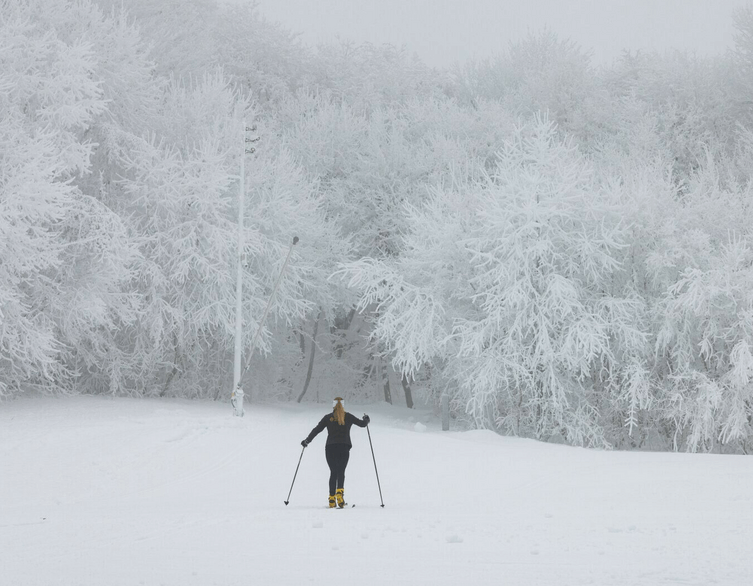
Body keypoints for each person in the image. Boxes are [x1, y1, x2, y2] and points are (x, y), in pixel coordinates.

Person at [301, 397, 370, 508]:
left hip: (330, 448)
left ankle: (332, 499)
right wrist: (366, 419)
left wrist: (307, 441)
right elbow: (362, 424)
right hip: (344, 447)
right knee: (341, 471)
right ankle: (340, 495)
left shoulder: (328, 418)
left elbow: (317, 429)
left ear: (333, 406)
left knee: (333, 472)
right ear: (343, 405)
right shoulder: (348, 416)